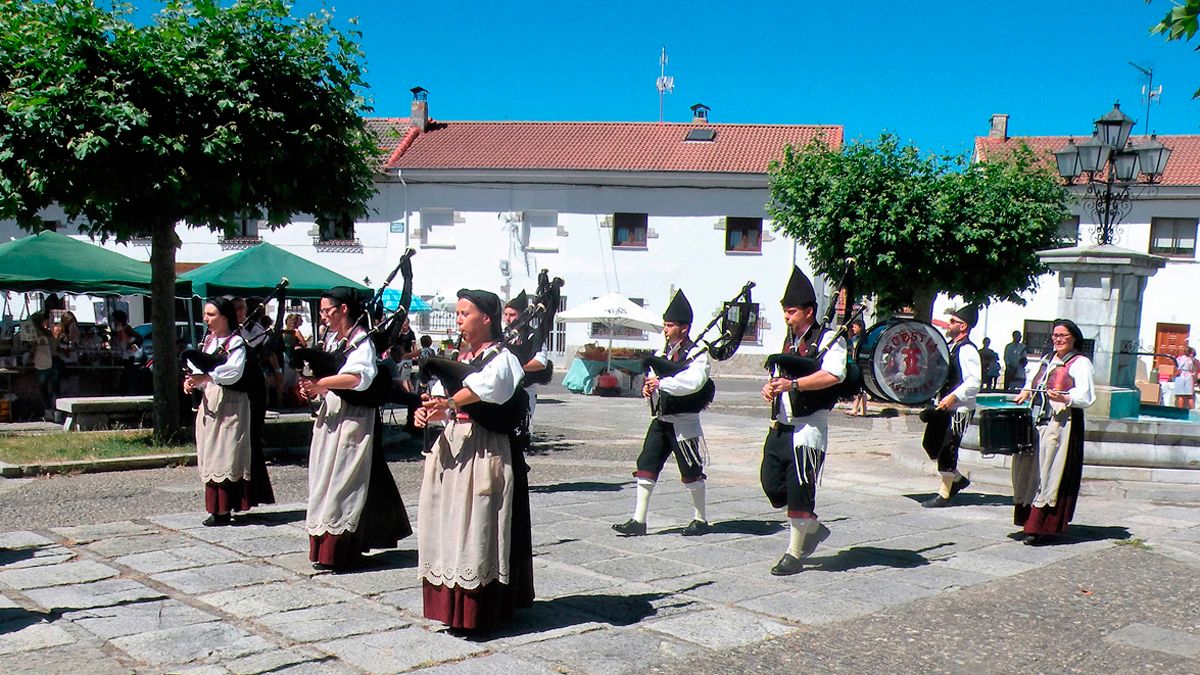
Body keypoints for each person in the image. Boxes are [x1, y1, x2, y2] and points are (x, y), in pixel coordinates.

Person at [415, 289, 532, 631]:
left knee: (478, 522)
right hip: (454, 446)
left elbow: (486, 389)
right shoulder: (464, 357)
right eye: (457, 314)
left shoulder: (503, 358)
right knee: (451, 521)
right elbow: (447, 399)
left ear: (486, 318)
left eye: (464, 313)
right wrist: (429, 413)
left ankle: (477, 608)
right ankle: (451, 602)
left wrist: (449, 403)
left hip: (485, 448)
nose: (459, 320)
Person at [300, 286, 412, 571]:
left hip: (354, 419)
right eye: (323, 311)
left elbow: (358, 378)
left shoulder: (362, 341)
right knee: (329, 479)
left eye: (328, 311)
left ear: (344, 310)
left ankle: (340, 550)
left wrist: (323, 383)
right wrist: (315, 389)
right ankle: (336, 546)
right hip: (334, 416)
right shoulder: (335, 340)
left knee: (345, 482)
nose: (324, 316)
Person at [760, 267, 847, 576]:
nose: (787, 317)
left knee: (800, 490)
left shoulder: (830, 339)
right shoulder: (788, 340)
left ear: (809, 311)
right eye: (784, 311)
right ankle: (812, 527)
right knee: (772, 486)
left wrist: (794, 386)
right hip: (780, 425)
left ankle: (794, 553)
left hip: (808, 428)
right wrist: (771, 385)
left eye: (792, 311)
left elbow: (834, 374)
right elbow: (780, 372)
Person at [612, 290, 712, 538]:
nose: (665, 330)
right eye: (665, 325)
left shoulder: (698, 353)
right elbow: (654, 376)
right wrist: (649, 387)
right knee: (646, 465)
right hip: (661, 420)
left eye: (669, 326)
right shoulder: (662, 353)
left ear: (684, 328)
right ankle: (639, 520)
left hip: (685, 423)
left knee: (691, 471)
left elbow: (694, 382)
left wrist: (661, 384)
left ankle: (700, 519)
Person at [1012, 319, 1095, 545]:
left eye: (1063, 336)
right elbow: (1032, 383)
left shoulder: (1080, 363)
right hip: (1038, 420)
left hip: (1062, 423)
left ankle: (1040, 526)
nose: (1058, 339)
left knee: (1050, 470)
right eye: (1055, 335)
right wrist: (1025, 394)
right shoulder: (1047, 360)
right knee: (1030, 470)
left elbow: (1086, 395)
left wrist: (1067, 397)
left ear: (1074, 338)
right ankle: (1029, 518)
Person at [183, 297, 254, 526]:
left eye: (211, 315)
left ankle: (225, 509)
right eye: (205, 314)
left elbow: (234, 371)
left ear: (225, 316)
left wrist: (208, 377)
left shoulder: (236, 342)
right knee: (209, 452)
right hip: (210, 401)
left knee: (226, 453)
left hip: (231, 403)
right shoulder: (209, 342)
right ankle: (215, 507)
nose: (206, 319)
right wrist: (192, 381)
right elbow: (198, 369)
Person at [920, 304, 980, 508]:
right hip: (944, 406)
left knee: (948, 447)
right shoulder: (951, 346)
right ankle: (958, 479)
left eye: (954, 321)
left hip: (960, 408)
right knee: (931, 443)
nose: (949, 324)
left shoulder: (968, 350)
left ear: (964, 327)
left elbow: (974, 381)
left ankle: (945, 493)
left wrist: (954, 396)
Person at [231, 297, 276, 507]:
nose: (240, 312)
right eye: (235, 309)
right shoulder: (224, 332)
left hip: (252, 386)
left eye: (242, 309)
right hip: (232, 389)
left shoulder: (255, 328)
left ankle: (255, 492)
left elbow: (262, 352)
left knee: (251, 436)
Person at [502, 290, 550, 418]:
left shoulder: (534, 336)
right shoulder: (502, 336)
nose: (508, 318)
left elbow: (540, 363)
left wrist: (515, 368)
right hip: (504, 389)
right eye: (505, 314)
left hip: (525, 389)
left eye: (512, 314)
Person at [28, 312, 59, 419]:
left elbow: (33, 349)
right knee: (55, 389)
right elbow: (56, 348)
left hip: (43, 363)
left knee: (43, 388)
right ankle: (57, 412)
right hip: (55, 361)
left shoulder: (36, 334)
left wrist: (30, 356)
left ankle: (48, 412)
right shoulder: (49, 333)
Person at [848, 319, 868, 416]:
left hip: (862, 364)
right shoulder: (854, 338)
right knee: (860, 388)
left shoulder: (865, 339)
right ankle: (862, 409)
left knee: (860, 387)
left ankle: (857, 409)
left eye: (855, 327)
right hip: (855, 363)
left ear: (860, 327)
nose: (853, 329)